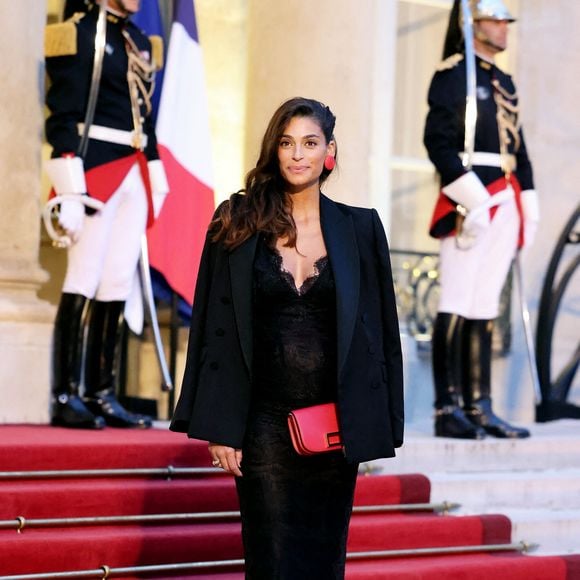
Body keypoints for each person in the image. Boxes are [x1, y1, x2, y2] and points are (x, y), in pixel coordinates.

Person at [170, 97, 404, 578]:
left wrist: (381, 420)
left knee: (324, 558)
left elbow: (382, 331)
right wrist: (220, 423)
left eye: (310, 143)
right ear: (274, 151)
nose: (298, 154)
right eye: (287, 142)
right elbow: (213, 328)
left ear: (329, 150)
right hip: (263, 424)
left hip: (333, 425)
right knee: (272, 557)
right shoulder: (236, 219)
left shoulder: (361, 228)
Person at [44, 0, 169, 429]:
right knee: (83, 275)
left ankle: (101, 393)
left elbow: (146, 118)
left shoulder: (137, 40)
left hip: (135, 170)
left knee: (116, 278)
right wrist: (70, 187)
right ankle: (65, 394)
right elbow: (61, 115)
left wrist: (155, 171)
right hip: (94, 168)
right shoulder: (77, 32)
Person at [423, 0, 539, 439]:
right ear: (473, 24)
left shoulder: (503, 80)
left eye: (505, 20)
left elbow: (519, 148)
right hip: (470, 199)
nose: (504, 27)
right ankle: (446, 406)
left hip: (504, 197)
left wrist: (529, 197)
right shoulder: (454, 76)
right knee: (456, 299)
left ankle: (480, 405)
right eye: (495, 19)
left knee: (485, 303)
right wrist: (470, 199)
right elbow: (437, 143)